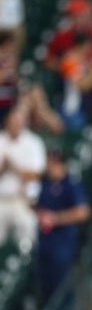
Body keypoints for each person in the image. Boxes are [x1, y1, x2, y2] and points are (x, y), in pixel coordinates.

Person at [36, 150, 90, 310]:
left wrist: (56, 218)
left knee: (62, 283)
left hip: (63, 241)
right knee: (46, 282)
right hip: (45, 240)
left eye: (51, 163)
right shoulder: (45, 184)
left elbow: (83, 212)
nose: (48, 167)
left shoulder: (71, 184)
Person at [0, 107, 46, 251]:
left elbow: (37, 174)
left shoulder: (33, 143)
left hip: (23, 201)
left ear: (25, 123)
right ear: (7, 121)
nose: (15, 124)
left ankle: (24, 265)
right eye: (13, 120)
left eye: (19, 121)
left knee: (27, 229)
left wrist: (13, 168)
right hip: (1, 199)